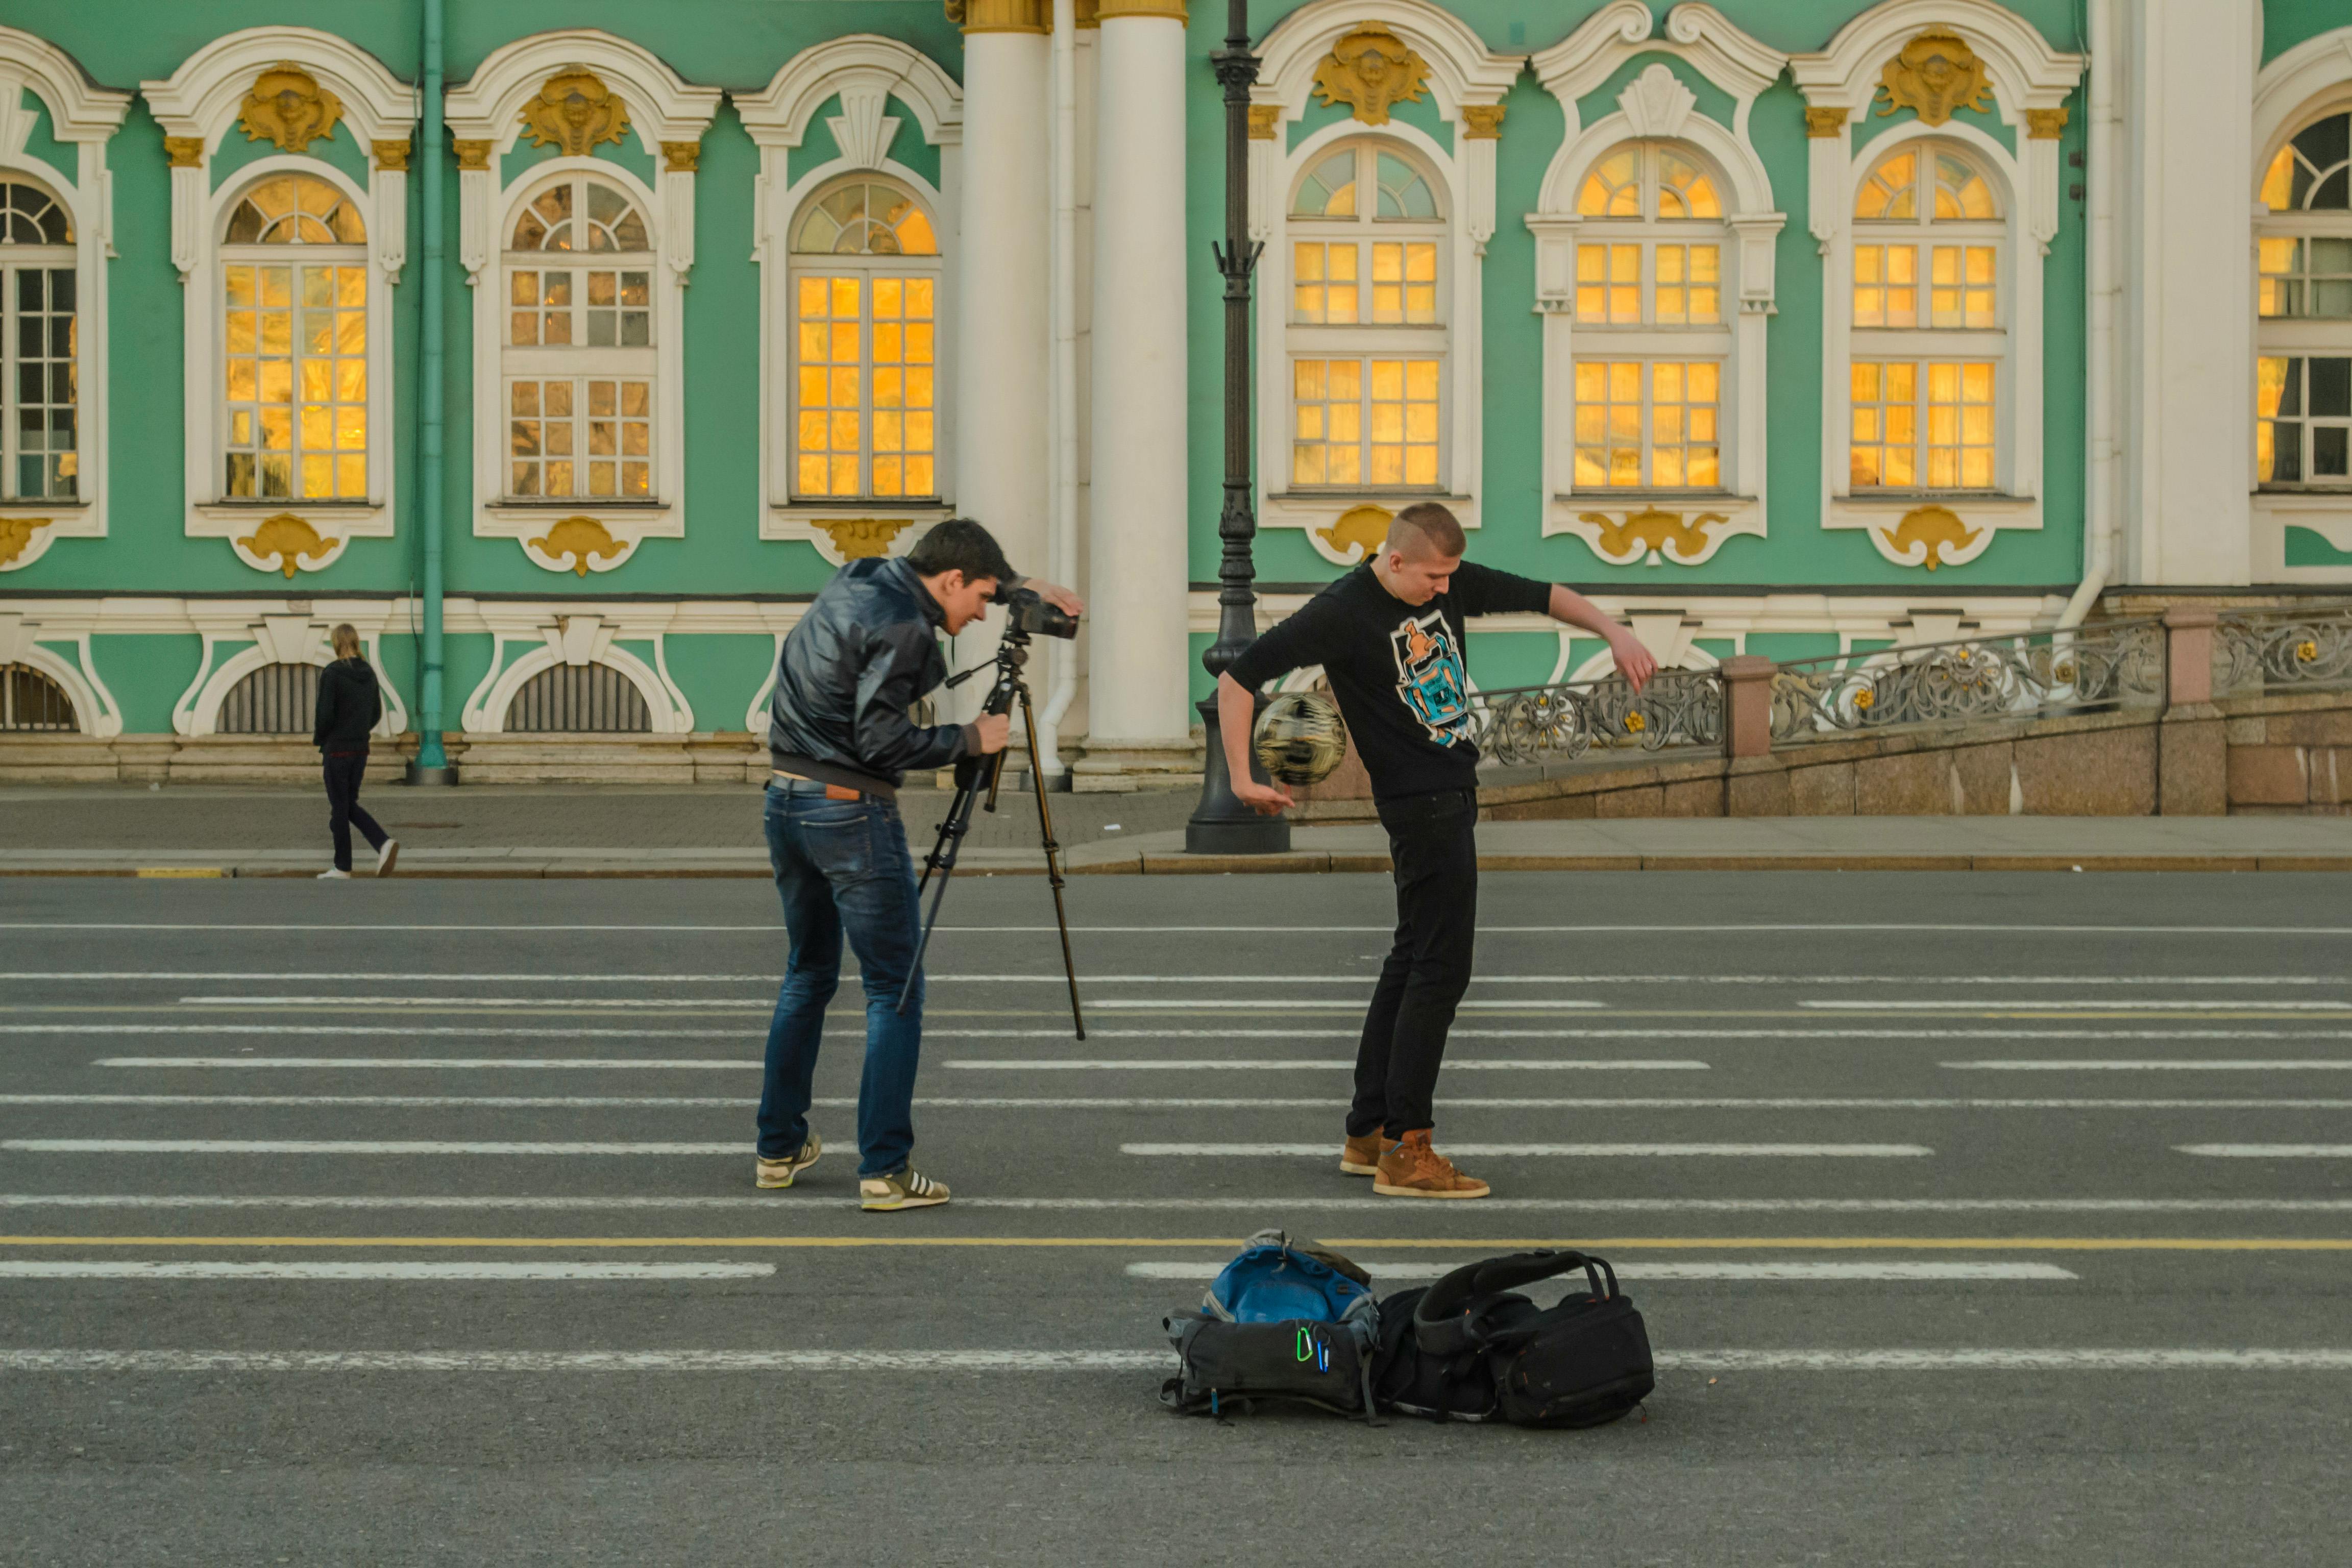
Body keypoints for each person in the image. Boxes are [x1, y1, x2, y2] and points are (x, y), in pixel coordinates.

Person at [1216, 502, 1655, 1199]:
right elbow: (1239, 676)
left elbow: (1542, 595)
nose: (1445, 590)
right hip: (1422, 806)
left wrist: (1613, 629)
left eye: (1450, 576)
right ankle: (1407, 1146)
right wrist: (1241, 777)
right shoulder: (1341, 611)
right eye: (1432, 577)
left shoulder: (1444, 580)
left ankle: (1368, 1131)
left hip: (1444, 796)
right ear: (1394, 562)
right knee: (1442, 970)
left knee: (1411, 959)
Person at [756, 519, 1083, 1212]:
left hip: (786, 802)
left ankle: (777, 1147)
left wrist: (1021, 582)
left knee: (808, 976)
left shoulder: (860, 577)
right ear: (950, 581)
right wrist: (971, 737)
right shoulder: (909, 628)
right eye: (983, 600)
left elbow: (954, 566)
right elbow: (881, 740)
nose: (980, 619)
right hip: (849, 812)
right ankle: (886, 1170)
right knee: (893, 991)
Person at [312, 624, 397, 880]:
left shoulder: (332, 673)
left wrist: (322, 739)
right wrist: (359, 730)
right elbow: (376, 714)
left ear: (336, 643)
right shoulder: (369, 673)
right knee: (346, 805)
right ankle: (376, 848)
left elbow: (325, 715)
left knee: (340, 808)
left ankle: (348, 864)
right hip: (360, 749)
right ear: (357, 642)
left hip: (338, 749)